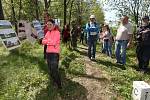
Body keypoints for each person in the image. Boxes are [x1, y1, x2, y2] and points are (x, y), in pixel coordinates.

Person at [42, 19, 62, 89]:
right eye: (47, 25)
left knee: (54, 69)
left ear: (54, 25)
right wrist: (48, 41)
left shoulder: (57, 33)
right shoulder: (47, 32)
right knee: (50, 69)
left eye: (50, 24)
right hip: (48, 53)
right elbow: (43, 41)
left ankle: (59, 85)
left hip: (54, 54)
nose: (48, 26)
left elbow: (53, 42)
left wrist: (47, 41)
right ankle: (54, 82)